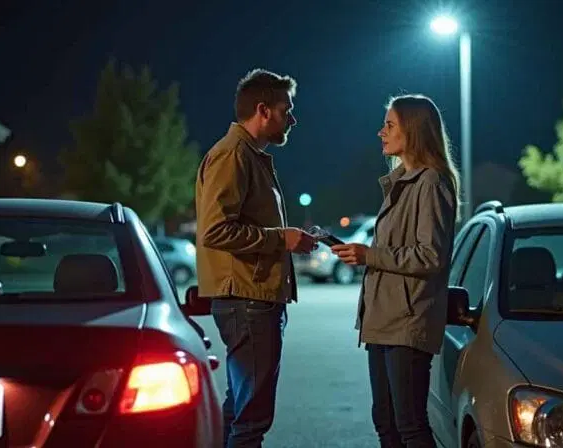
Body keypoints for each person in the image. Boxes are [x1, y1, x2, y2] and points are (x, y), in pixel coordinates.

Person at [195, 68, 318, 448]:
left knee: (240, 409)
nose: (293, 119)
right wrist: (282, 239)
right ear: (263, 110)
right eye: (287, 110)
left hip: (253, 299)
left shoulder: (249, 155)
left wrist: (286, 239)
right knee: (252, 418)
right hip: (248, 301)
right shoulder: (233, 156)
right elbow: (214, 231)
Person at [331, 94, 460, 448]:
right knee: (386, 423)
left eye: (389, 125)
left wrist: (370, 255)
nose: (380, 132)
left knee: (410, 426)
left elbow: (430, 256)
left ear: (414, 130)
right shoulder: (401, 182)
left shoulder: (431, 182)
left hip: (407, 322)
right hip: (383, 321)